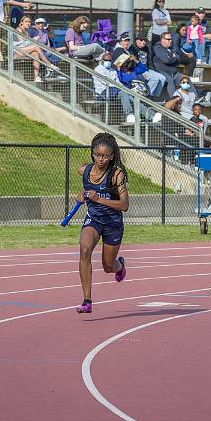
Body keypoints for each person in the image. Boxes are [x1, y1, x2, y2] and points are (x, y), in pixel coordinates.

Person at [76, 133, 129, 313]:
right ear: (92, 153)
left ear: (112, 156)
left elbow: (124, 205)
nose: (101, 159)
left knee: (108, 266)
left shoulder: (116, 175)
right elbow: (85, 188)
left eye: (105, 156)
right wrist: (82, 194)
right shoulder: (84, 170)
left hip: (112, 224)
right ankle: (87, 301)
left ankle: (120, 265)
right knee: (84, 250)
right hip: (94, 219)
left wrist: (98, 198)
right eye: (98, 155)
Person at [14, 16, 59, 82]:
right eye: (26, 22)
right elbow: (22, 44)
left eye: (29, 22)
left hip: (24, 51)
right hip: (16, 51)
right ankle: (49, 65)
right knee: (35, 46)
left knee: (36, 54)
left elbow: (28, 44)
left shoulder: (27, 31)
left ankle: (36, 77)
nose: (28, 23)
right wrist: (33, 40)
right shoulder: (19, 29)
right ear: (22, 23)